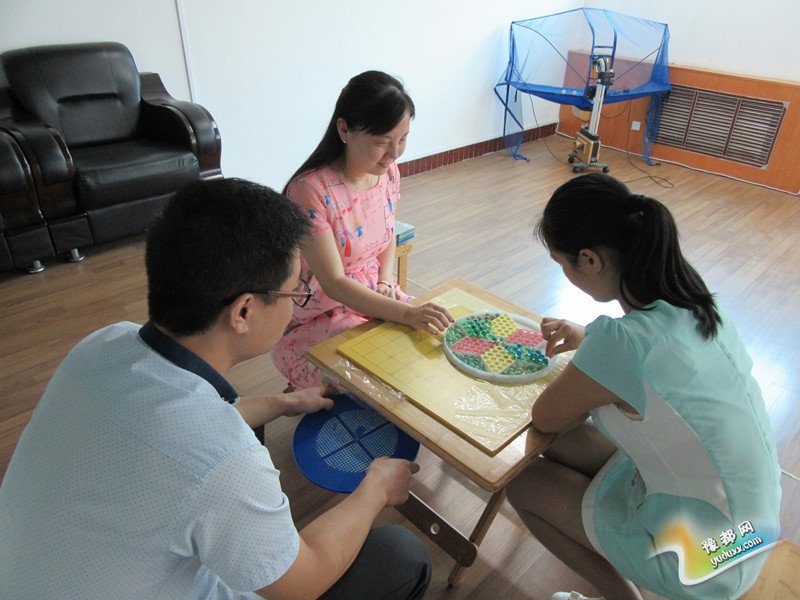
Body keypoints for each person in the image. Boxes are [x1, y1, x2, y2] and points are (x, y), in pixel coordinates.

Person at [0, 178, 431, 599]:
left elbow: (168, 432)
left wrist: (280, 402)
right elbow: (301, 583)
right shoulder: (224, 458)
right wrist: (375, 488)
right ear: (243, 311)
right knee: (400, 555)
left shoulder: (103, 344)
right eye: (292, 294)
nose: (294, 306)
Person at [506, 174, 781, 600]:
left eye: (563, 264)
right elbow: (653, 361)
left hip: (706, 561)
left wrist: (592, 351)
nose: (566, 273)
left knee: (522, 483)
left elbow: (545, 417)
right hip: (752, 525)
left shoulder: (620, 343)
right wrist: (587, 340)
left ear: (589, 260)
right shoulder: (697, 302)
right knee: (568, 442)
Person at [273, 70, 453, 388]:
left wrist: (385, 281)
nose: (395, 153)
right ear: (344, 130)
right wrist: (405, 313)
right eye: (382, 142)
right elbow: (334, 283)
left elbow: (388, 232)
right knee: (376, 373)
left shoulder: (388, 172)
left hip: (372, 290)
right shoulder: (310, 190)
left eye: (402, 139)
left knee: (426, 347)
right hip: (320, 311)